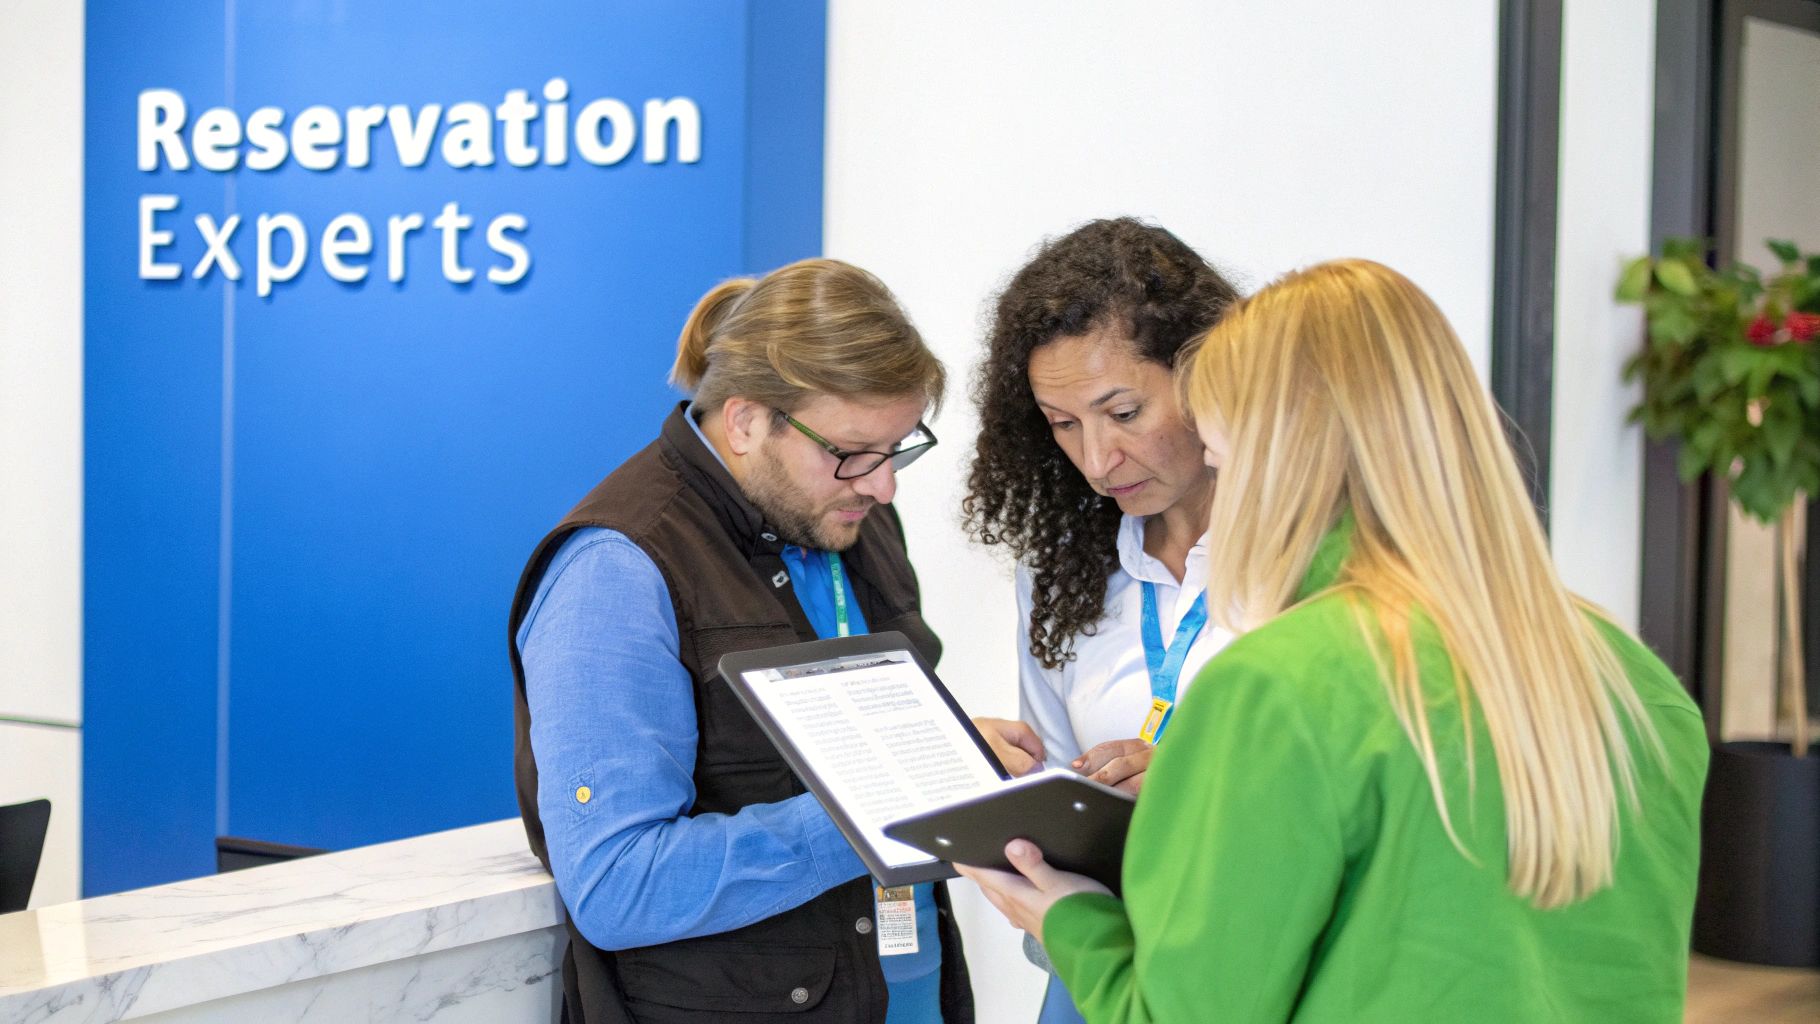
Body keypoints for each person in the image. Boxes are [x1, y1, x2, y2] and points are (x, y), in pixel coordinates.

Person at [957, 259, 1710, 1022]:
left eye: (1220, 457)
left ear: (1288, 459)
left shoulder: (1277, 682)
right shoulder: (1628, 672)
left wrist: (1070, 921)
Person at [509, 258, 973, 1023]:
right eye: (852, 452)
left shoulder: (852, 513)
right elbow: (617, 886)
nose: (883, 485)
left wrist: (964, 766)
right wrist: (881, 814)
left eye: (898, 448)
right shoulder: (616, 568)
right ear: (747, 420)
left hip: (906, 985)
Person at [962, 217, 1241, 1023]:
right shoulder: (1062, 569)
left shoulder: (1313, 560)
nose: (1095, 459)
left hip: (1259, 962)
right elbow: (1058, 788)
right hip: (1099, 969)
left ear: (1210, 378)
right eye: (1063, 423)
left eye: (1123, 412)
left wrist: (1197, 786)